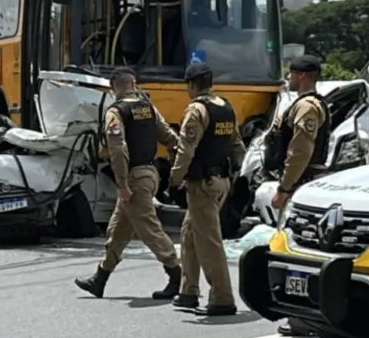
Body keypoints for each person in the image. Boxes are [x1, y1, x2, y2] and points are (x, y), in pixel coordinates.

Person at [74, 67, 183, 300]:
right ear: (134, 83)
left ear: (113, 87)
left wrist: (122, 183)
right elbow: (170, 138)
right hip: (150, 173)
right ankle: (99, 279)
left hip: (134, 179)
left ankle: (177, 277)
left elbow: (118, 148)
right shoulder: (148, 108)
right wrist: (178, 167)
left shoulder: (116, 111)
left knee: (149, 229)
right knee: (117, 230)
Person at [168, 62, 246, 317]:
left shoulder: (197, 111)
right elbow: (237, 145)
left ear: (191, 85)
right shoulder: (226, 107)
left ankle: (222, 298)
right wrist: (237, 174)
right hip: (221, 181)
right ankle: (188, 291)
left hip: (202, 184)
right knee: (190, 233)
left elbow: (185, 149)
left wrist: (174, 179)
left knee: (209, 241)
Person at [266, 54, 331, 337]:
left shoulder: (306, 107)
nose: (289, 78)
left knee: (298, 250)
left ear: (302, 76)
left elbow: (300, 151)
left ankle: (306, 318)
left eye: (291, 74)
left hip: (301, 185)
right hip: (301, 183)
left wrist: (285, 188)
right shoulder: (300, 105)